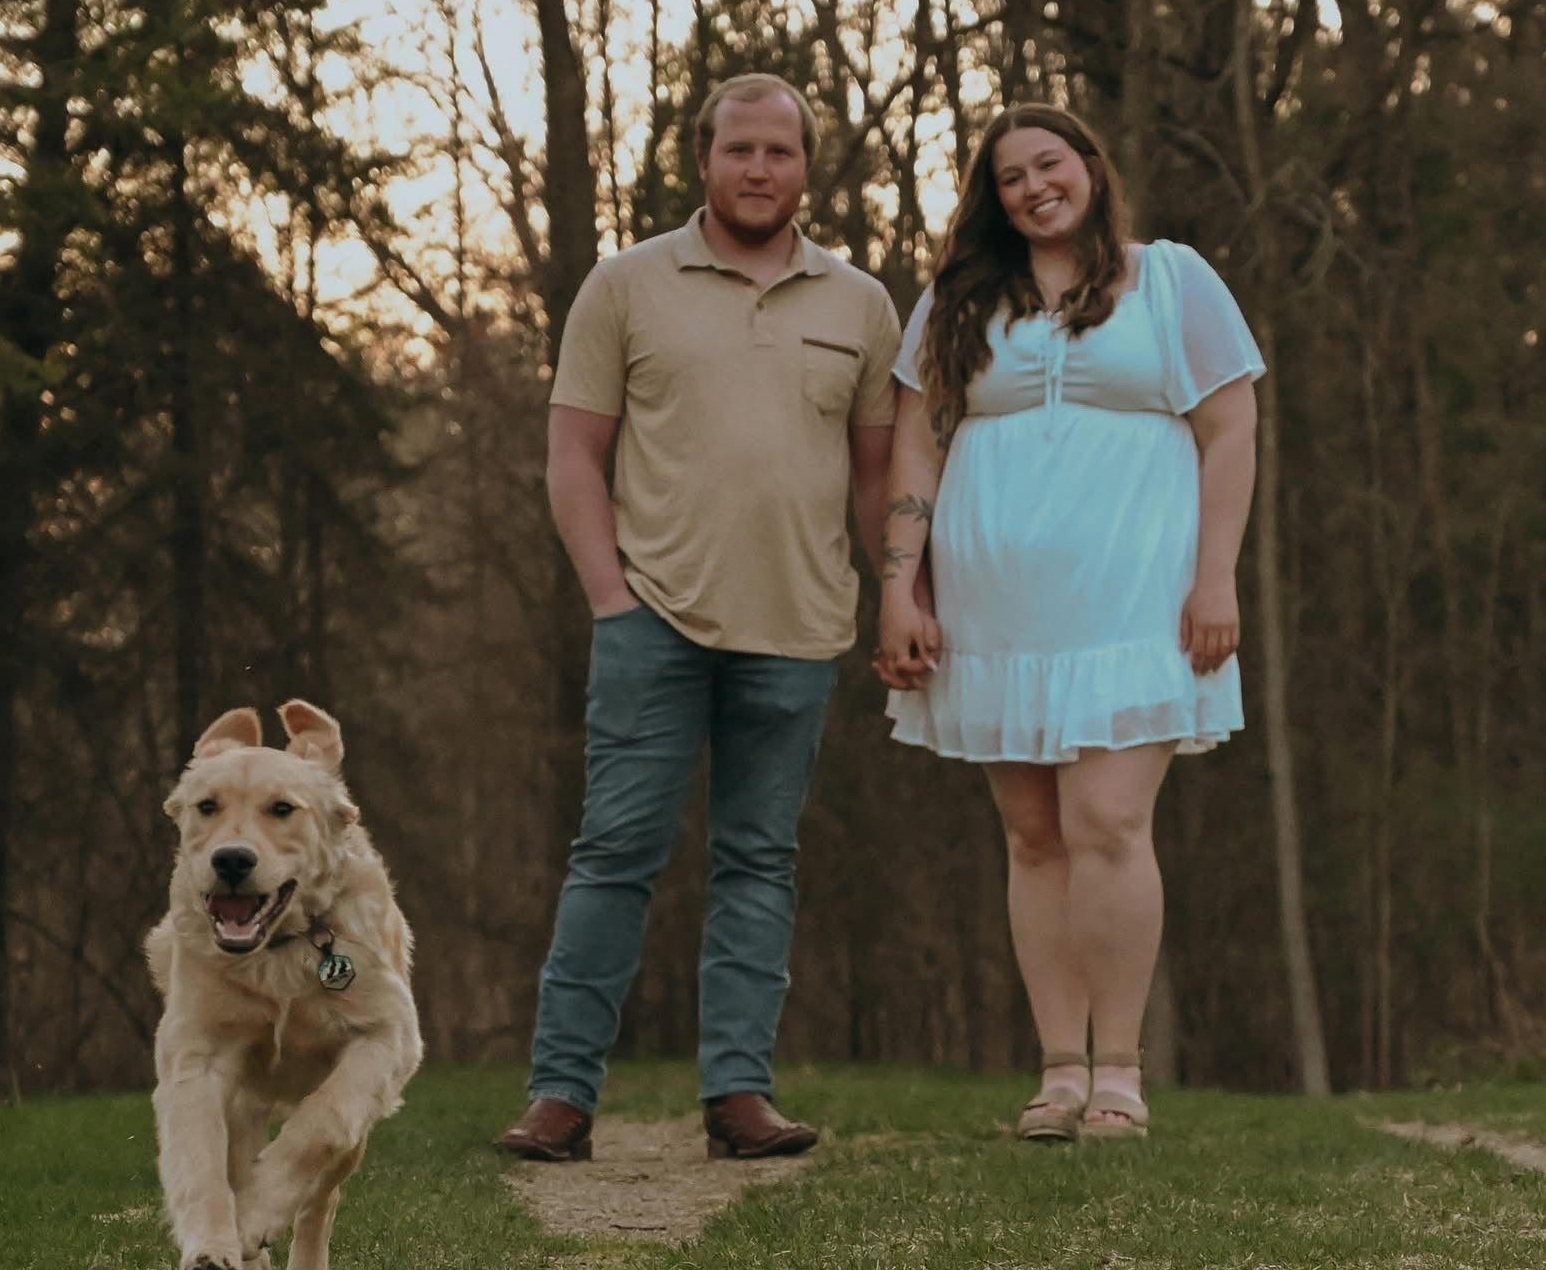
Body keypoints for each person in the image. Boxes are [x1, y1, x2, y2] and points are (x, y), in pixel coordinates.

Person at [497, 75, 903, 1165]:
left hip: (801, 627)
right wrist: (608, 596)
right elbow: (573, 453)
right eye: (739, 150)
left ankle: (738, 1095)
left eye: (779, 151)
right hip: (653, 621)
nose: (758, 169)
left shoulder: (859, 303)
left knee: (758, 862)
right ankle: (560, 1096)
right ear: (703, 159)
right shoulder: (625, 285)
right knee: (614, 854)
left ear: (807, 167)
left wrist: (901, 593)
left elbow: (876, 479)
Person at [874, 104, 1262, 1141]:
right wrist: (898, 587)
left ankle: (1120, 1074)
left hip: (1137, 593)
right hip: (993, 601)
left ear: (1091, 166)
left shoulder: (1172, 278)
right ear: (991, 197)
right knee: (1032, 834)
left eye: (1050, 164)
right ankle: (1056, 1073)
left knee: (1108, 821)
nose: (1034, 186)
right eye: (1010, 176)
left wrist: (1213, 577)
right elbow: (915, 444)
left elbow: (1230, 428)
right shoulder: (959, 298)